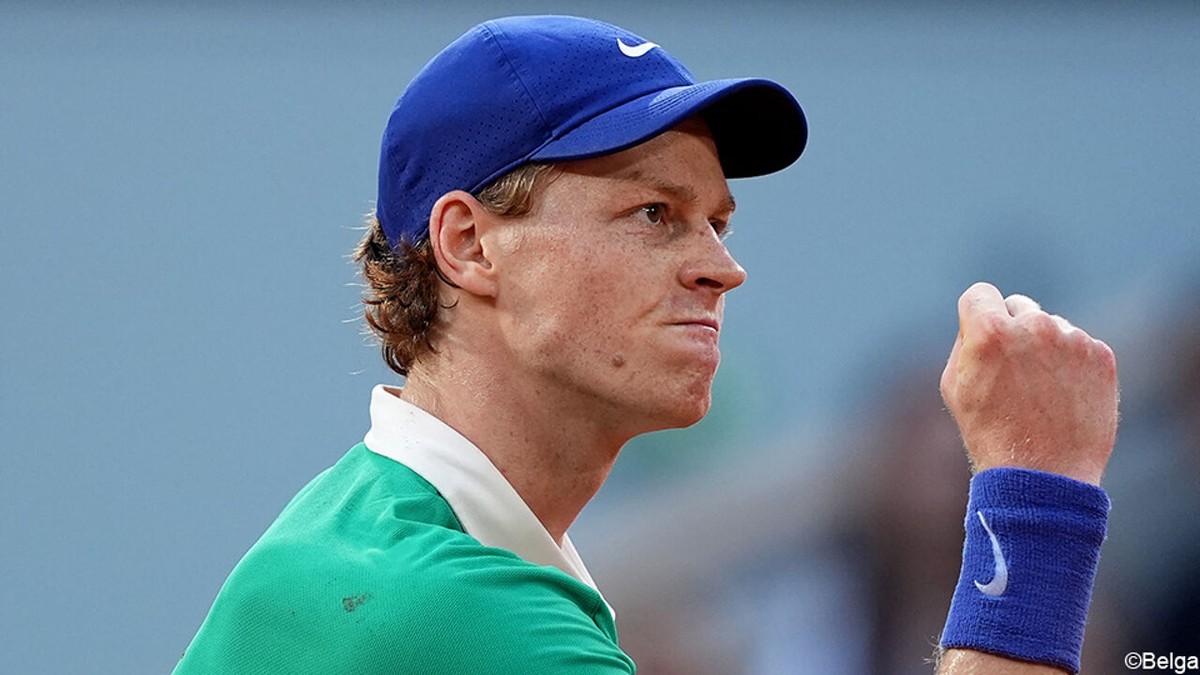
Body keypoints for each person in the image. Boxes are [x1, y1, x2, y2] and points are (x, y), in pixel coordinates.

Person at [174, 15, 1119, 675]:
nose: (722, 268)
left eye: (719, 222)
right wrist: (1037, 492)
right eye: (655, 213)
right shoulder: (449, 605)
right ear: (470, 245)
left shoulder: (377, 534)